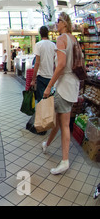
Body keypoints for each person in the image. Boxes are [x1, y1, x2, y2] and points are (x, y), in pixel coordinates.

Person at [41, 12, 80, 175]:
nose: (56, 24)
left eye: (58, 21)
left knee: (64, 125)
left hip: (63, 86)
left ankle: (65, 161)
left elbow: (61, 64)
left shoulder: (61, 39)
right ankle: (47, 144)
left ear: (64, 23)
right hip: (73, 84)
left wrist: (49, 86)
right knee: (58, 121)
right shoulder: (73, 39)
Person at [26, 26, 56, 135]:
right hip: (51, 77)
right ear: (48, 33)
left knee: (41, 102)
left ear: (40, 33)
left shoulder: (38, 45)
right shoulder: (53, 45)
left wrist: (33, 80)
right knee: (47, 101)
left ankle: (40, 127)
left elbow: (37, 63)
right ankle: (43, 124)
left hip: (41, 77)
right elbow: (54, 63)